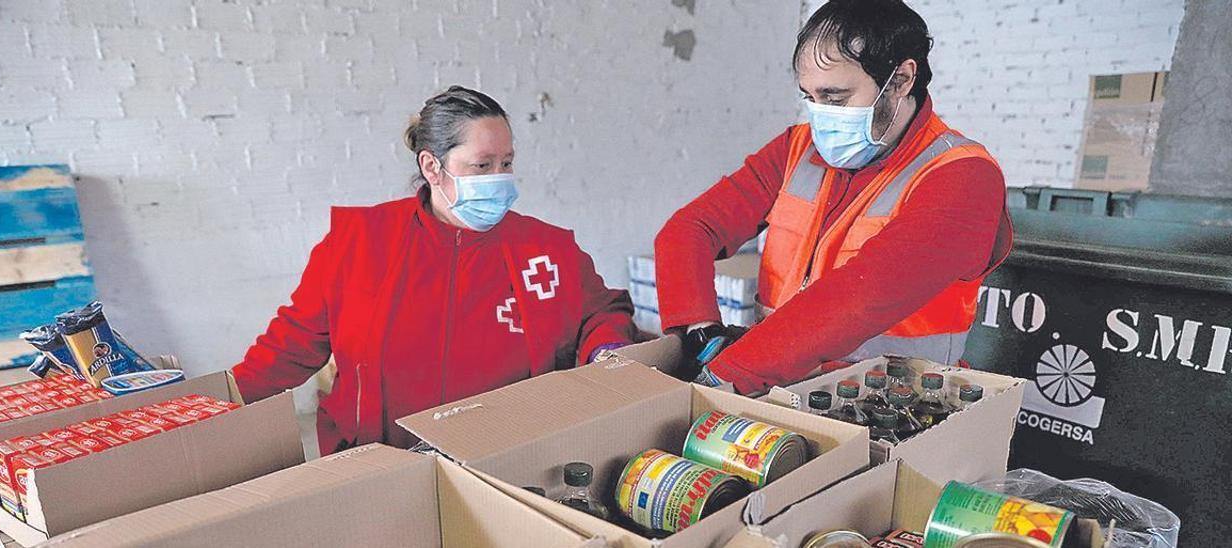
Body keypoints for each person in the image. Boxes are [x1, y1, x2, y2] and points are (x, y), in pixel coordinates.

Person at [232, 86, 637, 455]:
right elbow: (293, 342)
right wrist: (225, 400)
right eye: (482, 165)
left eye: (506, 163)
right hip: (381, 459)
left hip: (511, 455)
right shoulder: (359, 244)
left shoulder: (547, 249)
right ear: (432, 167)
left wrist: (608, 349)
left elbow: (602, 312)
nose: (500, 179)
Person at [653, 0, 1012, 395]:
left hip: (897, 408)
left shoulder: (963, 175)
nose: (820, 115)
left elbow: (862, 297)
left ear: (901, 80)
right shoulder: (796, 149)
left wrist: (725, 374)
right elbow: (689, 229)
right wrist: (699, 330)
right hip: (776, 391)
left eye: (836, 98)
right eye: (810, 97)